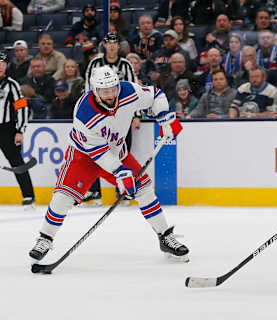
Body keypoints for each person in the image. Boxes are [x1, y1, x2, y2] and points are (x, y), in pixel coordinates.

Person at [28, 65, 190, 263]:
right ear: (95, 90)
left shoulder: (127, 91)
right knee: (63, 197)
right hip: (84, 156)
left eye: (113, 88)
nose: (111, 94)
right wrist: (121, 173)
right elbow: (97, 152)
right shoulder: (84, 111)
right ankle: (45, 238)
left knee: (144, 189)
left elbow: (156, 95)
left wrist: (164, 117)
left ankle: (165, 236)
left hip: (117, 151)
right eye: (105, 91)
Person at [84, 32, 139, 205]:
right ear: (104, 45)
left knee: (122, 153)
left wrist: (135, 115)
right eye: (109, 43)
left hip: (122, 118)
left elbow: (133, 89)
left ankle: (122, 190)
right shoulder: (94, 64)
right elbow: (87, 89)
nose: (112, 46)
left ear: (118, 45)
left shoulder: (126, 65)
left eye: (115, 42)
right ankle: (94, 192)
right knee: (95, 152)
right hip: (99, 119)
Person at [0, 52, 35, 208]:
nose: (0, 66)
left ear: (6, 66)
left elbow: (21, 108)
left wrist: (20, 130)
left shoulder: (11, 85)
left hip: (7, 129)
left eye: (3, 63)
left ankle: (28, 196)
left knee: (17, 164)